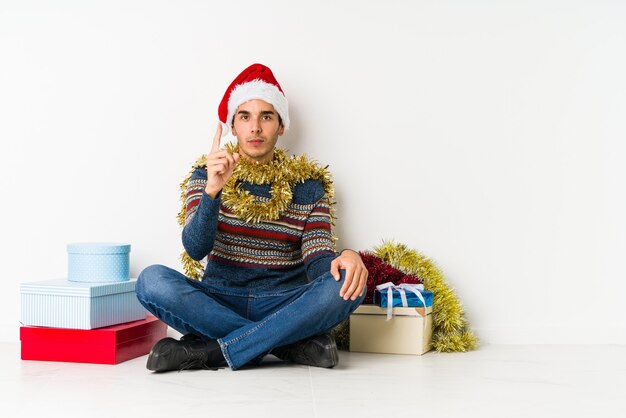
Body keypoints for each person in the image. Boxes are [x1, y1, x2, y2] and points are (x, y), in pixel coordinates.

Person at [136, 63, 368, 372]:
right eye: (245, 117)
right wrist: (212, 192)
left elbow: (316, 259)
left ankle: (212, 351)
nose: (255, 127)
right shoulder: (206, 175)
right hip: (220, 298)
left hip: (283, 300)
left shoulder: (309, 186)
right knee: (151, 281)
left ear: (281, 125)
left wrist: (347, 257)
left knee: (351, 284)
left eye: (266, 116)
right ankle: (287, 343)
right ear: (233, 126)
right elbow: (195, 248)